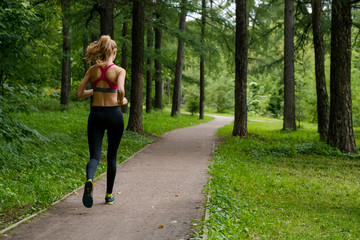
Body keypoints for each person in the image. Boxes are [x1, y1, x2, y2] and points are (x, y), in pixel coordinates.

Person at [76, 35, 127, 208]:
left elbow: (79, 94)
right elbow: (120, 89)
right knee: (111, 156)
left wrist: (96, 90)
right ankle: (109, 195)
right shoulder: (119, 71)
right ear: (114, 52)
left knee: (95, 156)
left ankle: (90, 179)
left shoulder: (92, 70)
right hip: (114, 115)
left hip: (96, 114)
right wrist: (121, 100)